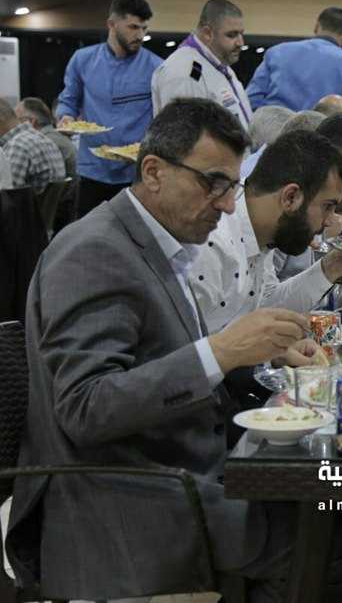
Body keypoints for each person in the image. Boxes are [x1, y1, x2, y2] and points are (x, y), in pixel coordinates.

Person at [7, 98, 313, 602]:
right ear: (153, 172)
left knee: (328, 510)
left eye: (232, 187)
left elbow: (166, 361)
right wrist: (221, 351)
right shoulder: (93, 251)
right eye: (213, 183)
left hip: (175, 470)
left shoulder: (153, 241)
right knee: (323, 543)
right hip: (123, 498)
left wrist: (255, 355)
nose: (227, 206)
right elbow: (85, 408)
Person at [189, 129, 342, 333]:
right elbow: (190, 348)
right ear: (290, 197)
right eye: (327, 206)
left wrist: (329, 268)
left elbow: (266, 307)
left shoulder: (262, 227)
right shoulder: (212, 243)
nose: (330, 221)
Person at [56, 0, 163, 218]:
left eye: (144, 28)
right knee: (89, 234)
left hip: (136, 173)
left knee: (135, 236)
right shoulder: (82, 60)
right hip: (92, 170)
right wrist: (65, 117)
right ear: (111, 25)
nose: (140, 35)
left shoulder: (157, 67)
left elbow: (163, 117)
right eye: (133, 27)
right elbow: (68, 100)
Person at [247, 7, 342, 127]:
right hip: (319, 144)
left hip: (272, 143)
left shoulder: (276, 52)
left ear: (317, 26)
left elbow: (250, 101)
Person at [151, 0, 252, 129]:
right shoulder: (183, 72)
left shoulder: (219, 65)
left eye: (241, 34)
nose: (240, 43)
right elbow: (184, 136)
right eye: (232, 35)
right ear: (207, 33)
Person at [0, 99, 66, 189]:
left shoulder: (16, 146)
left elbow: (8, 193)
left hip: (25, 199)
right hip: (48, 198)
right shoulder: (45, 140)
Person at [15, 97, 77, 179]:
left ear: (31, 122)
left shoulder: (42, 143)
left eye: (17, 119)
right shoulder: (55, 136)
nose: (15, 125)